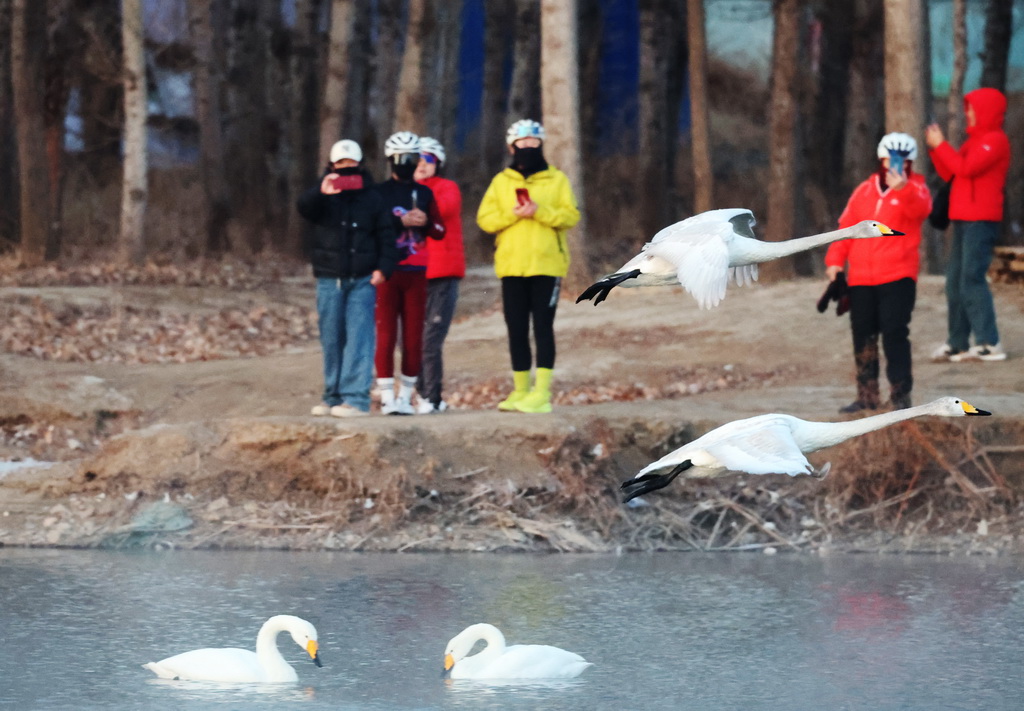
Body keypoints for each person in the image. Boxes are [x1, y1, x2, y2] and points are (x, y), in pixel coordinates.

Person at [477, 119, 581, 414]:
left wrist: (540, 211)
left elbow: (571, 216)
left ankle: (542, 393)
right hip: (512, 266)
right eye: (522, 143)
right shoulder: (501, 182)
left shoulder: (557, 180)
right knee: (516, 329)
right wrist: (513, 214)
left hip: (547, 266)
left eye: (534, 143)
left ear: (541, 144)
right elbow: (485, 219)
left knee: (543, 327)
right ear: (512, 147)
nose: (528, 148)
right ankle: (520, 391)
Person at [824, 132, 932, 413]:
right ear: (881, 160)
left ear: (910, 163)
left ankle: (900, 396)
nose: (896, 166)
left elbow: (922, 210)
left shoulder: (917, 188)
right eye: (890, 160)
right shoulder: (864, 190)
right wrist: (835, 260)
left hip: (898, 276)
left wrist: (903, 188)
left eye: (903, 161)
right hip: (861, 278)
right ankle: (867, 396)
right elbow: (847, 227)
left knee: (894, 333)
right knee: (863, 335)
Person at [297, 139, 398, 417]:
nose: (346, 171)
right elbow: (303, 208)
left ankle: (355, 399)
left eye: (351, 165)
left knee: (359, 337)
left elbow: (387, 236)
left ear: (361, 165)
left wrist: (383, 268)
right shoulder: (323, 194)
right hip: (330, 278)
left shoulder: (373, 197)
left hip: (363, 278)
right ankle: (332, 396)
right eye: (340, 165)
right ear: (331, 166)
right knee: (331, 338)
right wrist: (322, 192)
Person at [926, 87, 1011, 362]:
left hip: (981, 220)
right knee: (954, 282)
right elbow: (951, 172)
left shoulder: (995, 141)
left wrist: (941, 145)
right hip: (962, 218)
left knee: (972, 279)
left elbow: (967, 169)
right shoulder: (972, 141)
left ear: (986, 110)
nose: (968, 113)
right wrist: (936, 149)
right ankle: (958, 342)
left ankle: (989, 342)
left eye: (972, 108)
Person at [373, 131, 446, 415]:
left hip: (417, 272)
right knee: (386, 334)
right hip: (387, 271)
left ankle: (406, 395)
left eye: (410, 159)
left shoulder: (425, 193)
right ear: (390, 160)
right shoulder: (379, 192)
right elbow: (372, 226)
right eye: (399, 159)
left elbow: (440, 231)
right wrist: (398, 220)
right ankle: (386, 395)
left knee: (414, 336)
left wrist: (425, 222)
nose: (405, 163)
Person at [414, 137, 466, 414]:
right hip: (412, 275)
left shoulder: (447, 188)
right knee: (409, 339)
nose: (422, 165)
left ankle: (431, 397)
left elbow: (443, 210)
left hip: (442, 274)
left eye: (428, 160)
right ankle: (425, 395)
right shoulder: (403, 191)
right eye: (417, 160)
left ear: (438, 164)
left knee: (430, 339)